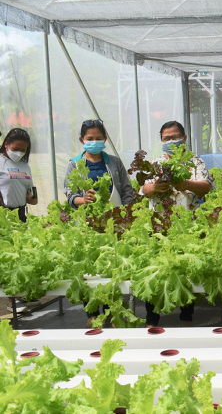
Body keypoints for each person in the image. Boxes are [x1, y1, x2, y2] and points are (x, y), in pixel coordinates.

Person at [142, 121, 214, 327]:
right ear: (161, 140)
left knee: (186, 272)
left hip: (188, 226)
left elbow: (206, 187)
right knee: (155, 271)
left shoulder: (195, 162)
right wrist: (155, 186)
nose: (171, 141)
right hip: (159, 227)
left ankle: (186, 317)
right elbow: (144, 190)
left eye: (175, 137)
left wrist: (185, 184)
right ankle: (152, 319)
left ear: (184, 138)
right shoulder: (154, 164)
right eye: (166, 138)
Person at [63, 119, 135, 327]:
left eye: (98, 138)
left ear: (105, 139)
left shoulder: (113, 162)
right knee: (90, 269)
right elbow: (69, 194)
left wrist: (127, 212)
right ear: (81, 140)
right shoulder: (74, 163)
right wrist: (82, 200)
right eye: (90, 139)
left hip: (114, 223)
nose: (94, 142)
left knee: (114, 267)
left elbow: (126, 190)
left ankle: (113, 310)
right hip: (87, 224)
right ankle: (92, 313)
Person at [1, 128, 39, 313]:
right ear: (6, 145)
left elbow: (31, 190)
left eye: (23, 150)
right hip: (2, 214)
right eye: (16, 148)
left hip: (20, 213)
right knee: (7, 258)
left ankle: (23, 293)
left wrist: (32, 197)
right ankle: (11, 299)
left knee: (21, 255)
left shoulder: (25, 166)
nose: (19, 153)